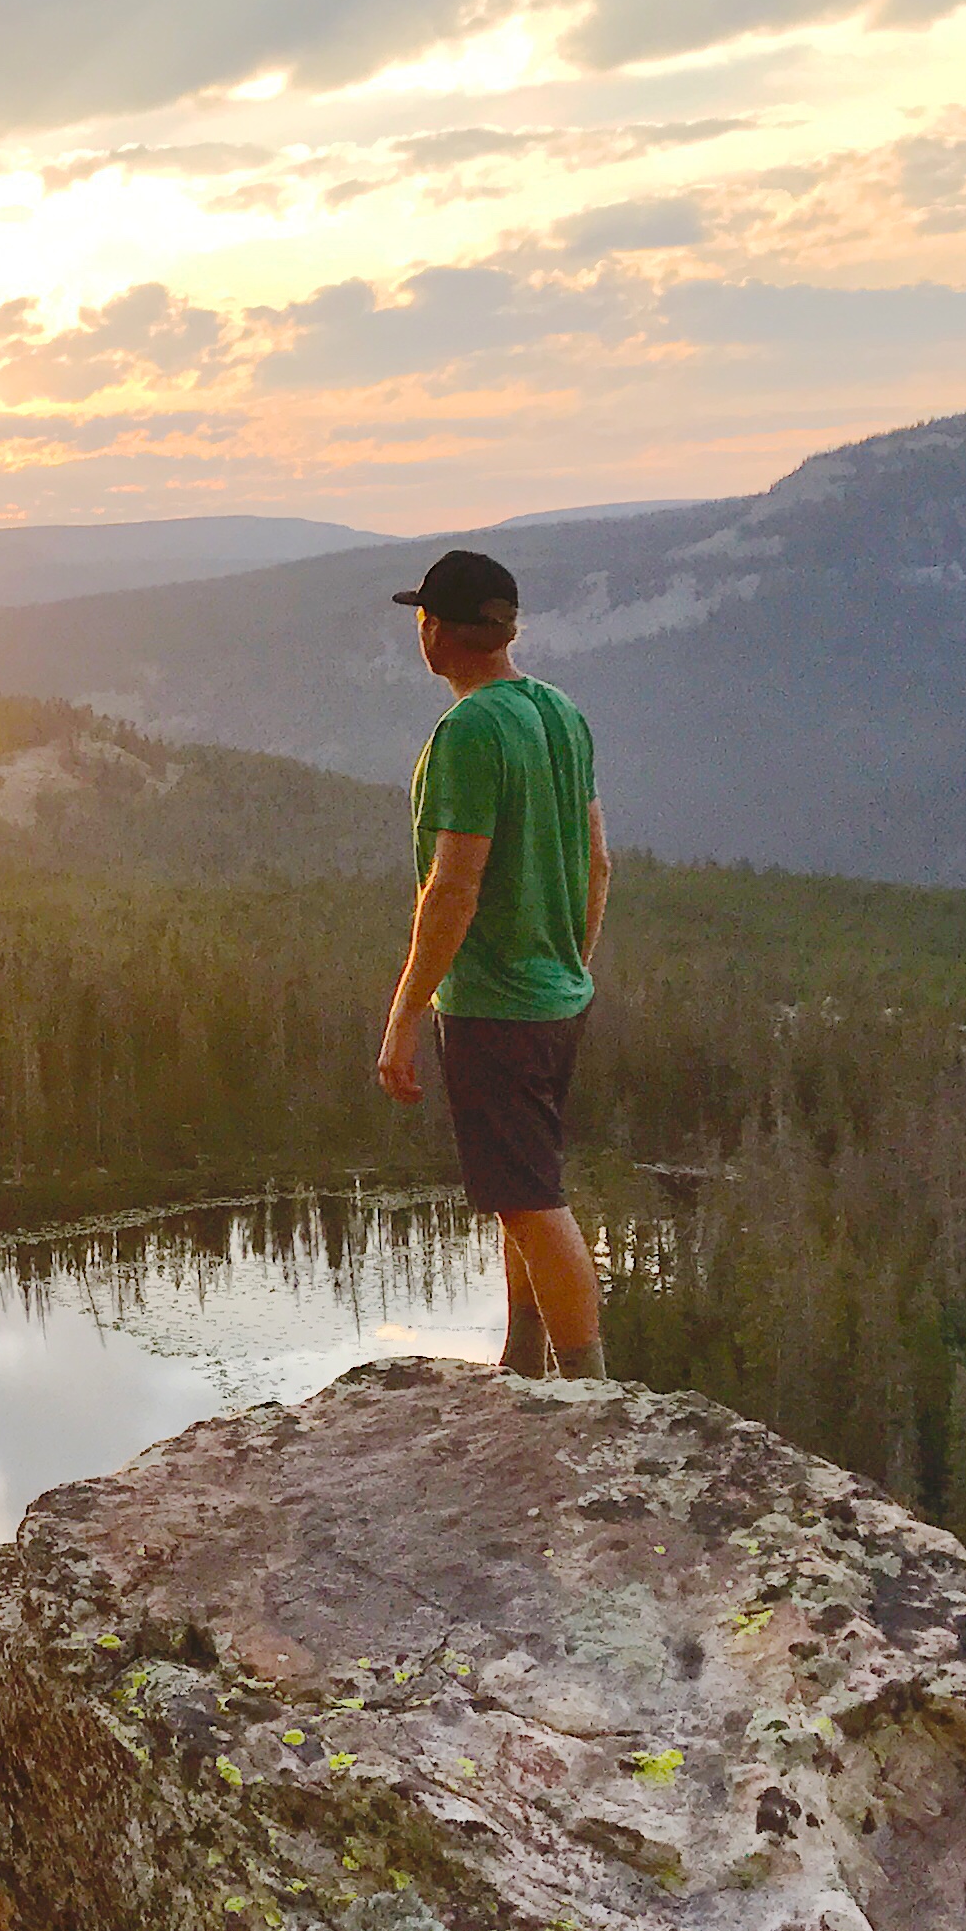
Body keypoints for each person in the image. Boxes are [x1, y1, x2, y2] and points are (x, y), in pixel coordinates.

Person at [372, 547, 613, 1379]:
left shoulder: (470, 730)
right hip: (556, 995)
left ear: (436, 633)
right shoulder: (559, 712)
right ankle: (524, 1354)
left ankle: (589, 1391)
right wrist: (569, 966)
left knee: (530, 1200)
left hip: (496, 1006)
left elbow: (452, 891)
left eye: (422, 621)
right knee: (522, 1188)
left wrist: (405, 1016)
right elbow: (599, 860)